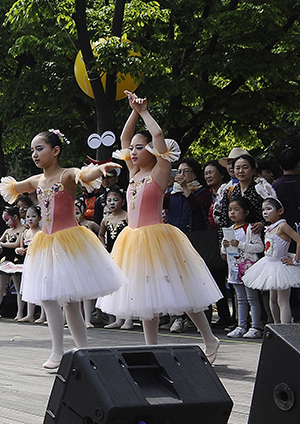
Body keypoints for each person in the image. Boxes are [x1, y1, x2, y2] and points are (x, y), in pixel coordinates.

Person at [0, 129, 123, 370]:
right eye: (32, 150)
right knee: (47, 298)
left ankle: (83, 351)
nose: (34, 154)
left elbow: (84, 173)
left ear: (55, 151)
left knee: (70, 302)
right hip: (45, 243)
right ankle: (57, 351)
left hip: (68, 242)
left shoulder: (67, 175)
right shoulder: (37, 181)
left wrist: (100, 168)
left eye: (40, 148)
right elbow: (8, 187)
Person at [95, 94, 221, 361]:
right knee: (143, 296)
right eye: (135, 149)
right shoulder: (133, 172)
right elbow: (124, 140)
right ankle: (151, 347)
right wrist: (132, 112)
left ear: (151, 150)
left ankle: (210, 338)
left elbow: (159, 134)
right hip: (133, 240)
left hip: (156, 238)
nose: (135, 151)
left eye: (142, 147)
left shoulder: (160, 171)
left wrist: (144, 112)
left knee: (181, 290)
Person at [242, 197, 300, 327]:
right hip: (269, 264)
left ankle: (285, 329)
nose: (265, 212)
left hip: (281, 265)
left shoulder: (283, 226)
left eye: (269, 209)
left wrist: (296, 260)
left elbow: (299, 240)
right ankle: (276, 325)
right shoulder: (270, 227)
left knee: (282, 300)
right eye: (263, 210)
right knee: (272, 299)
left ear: (280, 211)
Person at [223, 197, 267, 339]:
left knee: (252, 298)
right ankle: (241, 325)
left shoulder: (251, 229)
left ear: (246, 212)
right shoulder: (229, 230)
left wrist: (240, 244)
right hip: (235, 268)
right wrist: (224, 247)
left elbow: (259, 247)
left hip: (248, 268)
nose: (232, 213)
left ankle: (255, 326)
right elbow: (224, 253)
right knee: (240, 299)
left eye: (236, 210)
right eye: (230, 210)